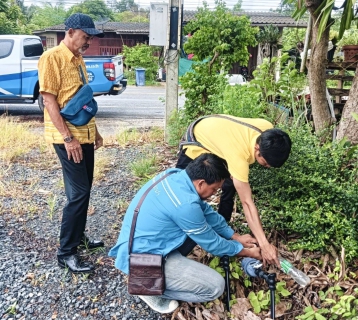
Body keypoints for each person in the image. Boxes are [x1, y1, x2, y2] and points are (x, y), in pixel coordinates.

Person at [109, 153, 262, 314]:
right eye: (215, 189)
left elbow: (207, 213)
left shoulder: (175, 175)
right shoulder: (185, 205)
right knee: (216, 286)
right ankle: (145, 286)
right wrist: (246, 252)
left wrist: (235, 236)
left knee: (198, 228)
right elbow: (213, 245)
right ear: (201, 183)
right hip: (142, 259)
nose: (215, 193)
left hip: (144, 243)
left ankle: (159, 276)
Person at [176, 115, 292, 267]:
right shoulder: (239, 156)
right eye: (266, 163)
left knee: (231, 185)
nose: (268, 167)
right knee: (185, 200)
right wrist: (264, 244)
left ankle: (222, 229)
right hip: (198, 140)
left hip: (221, 138)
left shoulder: (268, 131)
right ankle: (178, 252)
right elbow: (247, 203)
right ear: (257, 148)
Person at [38, 13, 105, 273]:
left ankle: (78, 238)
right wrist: (68, 138)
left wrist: (95, 131)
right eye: (85, 36)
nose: (88, 41)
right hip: (67, 138)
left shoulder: (79, 59)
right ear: (71, 31)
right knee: (78, 194)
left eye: (90, 38)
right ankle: (66, 252)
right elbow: (49, 101)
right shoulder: (51, 58)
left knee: (83, 189)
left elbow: (82, 100)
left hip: (85, 135)